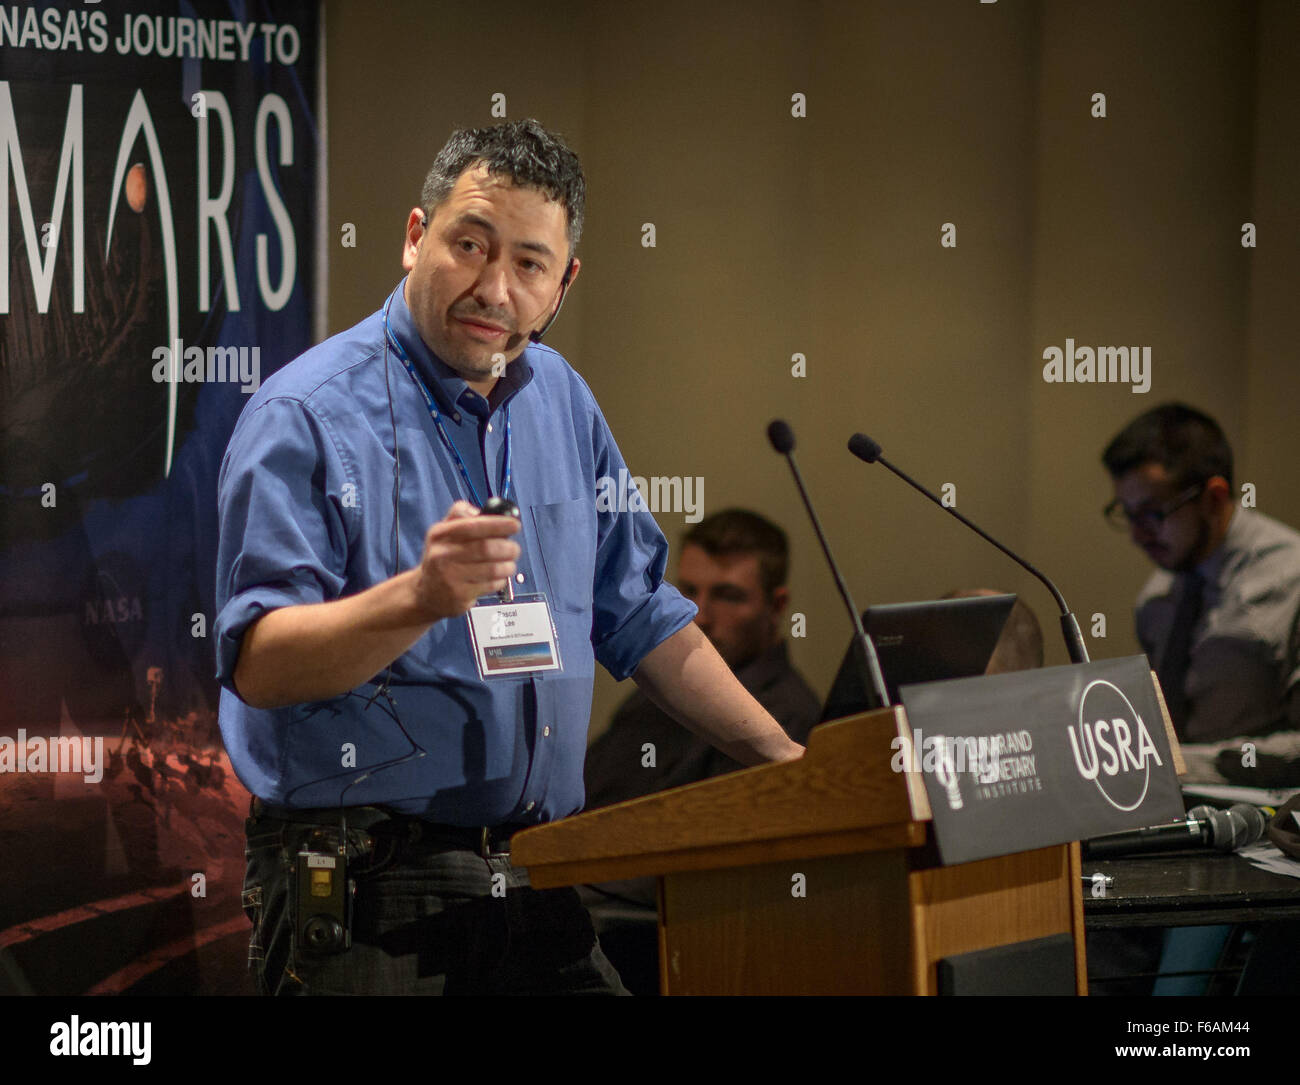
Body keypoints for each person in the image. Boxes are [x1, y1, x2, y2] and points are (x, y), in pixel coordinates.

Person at [214, 120, 803, 996]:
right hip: (368, 886)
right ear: (416, 238)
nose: (494, 287)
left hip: (540, 871)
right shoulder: (304, 414)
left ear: (563, 283)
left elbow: (640, 612)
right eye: (469, 245)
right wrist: (418, 597)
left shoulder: (562, 399)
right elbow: (259, 663)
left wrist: (790, 762)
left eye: (528, 263)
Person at [580, 509, 820, 993]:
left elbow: (699, 868)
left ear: (778, 605)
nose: (702, 615)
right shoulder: (655, 696)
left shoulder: (783, 723)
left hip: (659, 948)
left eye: (728, 595)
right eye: (687, 592)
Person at [1101, 402, 1300, 784]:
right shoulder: (1156, 599)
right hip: (1173, 812)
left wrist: (1183, 767)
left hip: (1264, 826)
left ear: (1213, 497)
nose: (1137, 535)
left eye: (1152, 514)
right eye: (1127, 513)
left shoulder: (1291, 583)